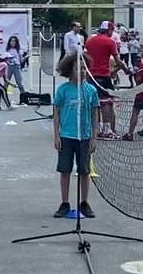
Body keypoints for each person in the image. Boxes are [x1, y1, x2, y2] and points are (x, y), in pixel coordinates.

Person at [52, 51, 100, 218]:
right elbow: (56, 113)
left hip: (85, 137)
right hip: (67, 135)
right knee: (65, 170)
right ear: (70, 70)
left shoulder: (91, 90)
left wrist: (94, 137)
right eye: (78, 68)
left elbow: (95, 115)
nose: (82, 72)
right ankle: (65, 203)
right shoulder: (63, 90)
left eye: (84, 69)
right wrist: (56, 136)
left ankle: (84, 203)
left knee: (84, 171)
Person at [84, 21, 121, 139]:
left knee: (95, 103)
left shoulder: (90, 41)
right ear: (109, 30)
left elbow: (85, 57)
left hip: (91, 76)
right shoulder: (110, 42)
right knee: (107, 103)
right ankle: (107, 129)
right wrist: (124, 69)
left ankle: (97, 128)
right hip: (104, 76)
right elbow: (117, 60)